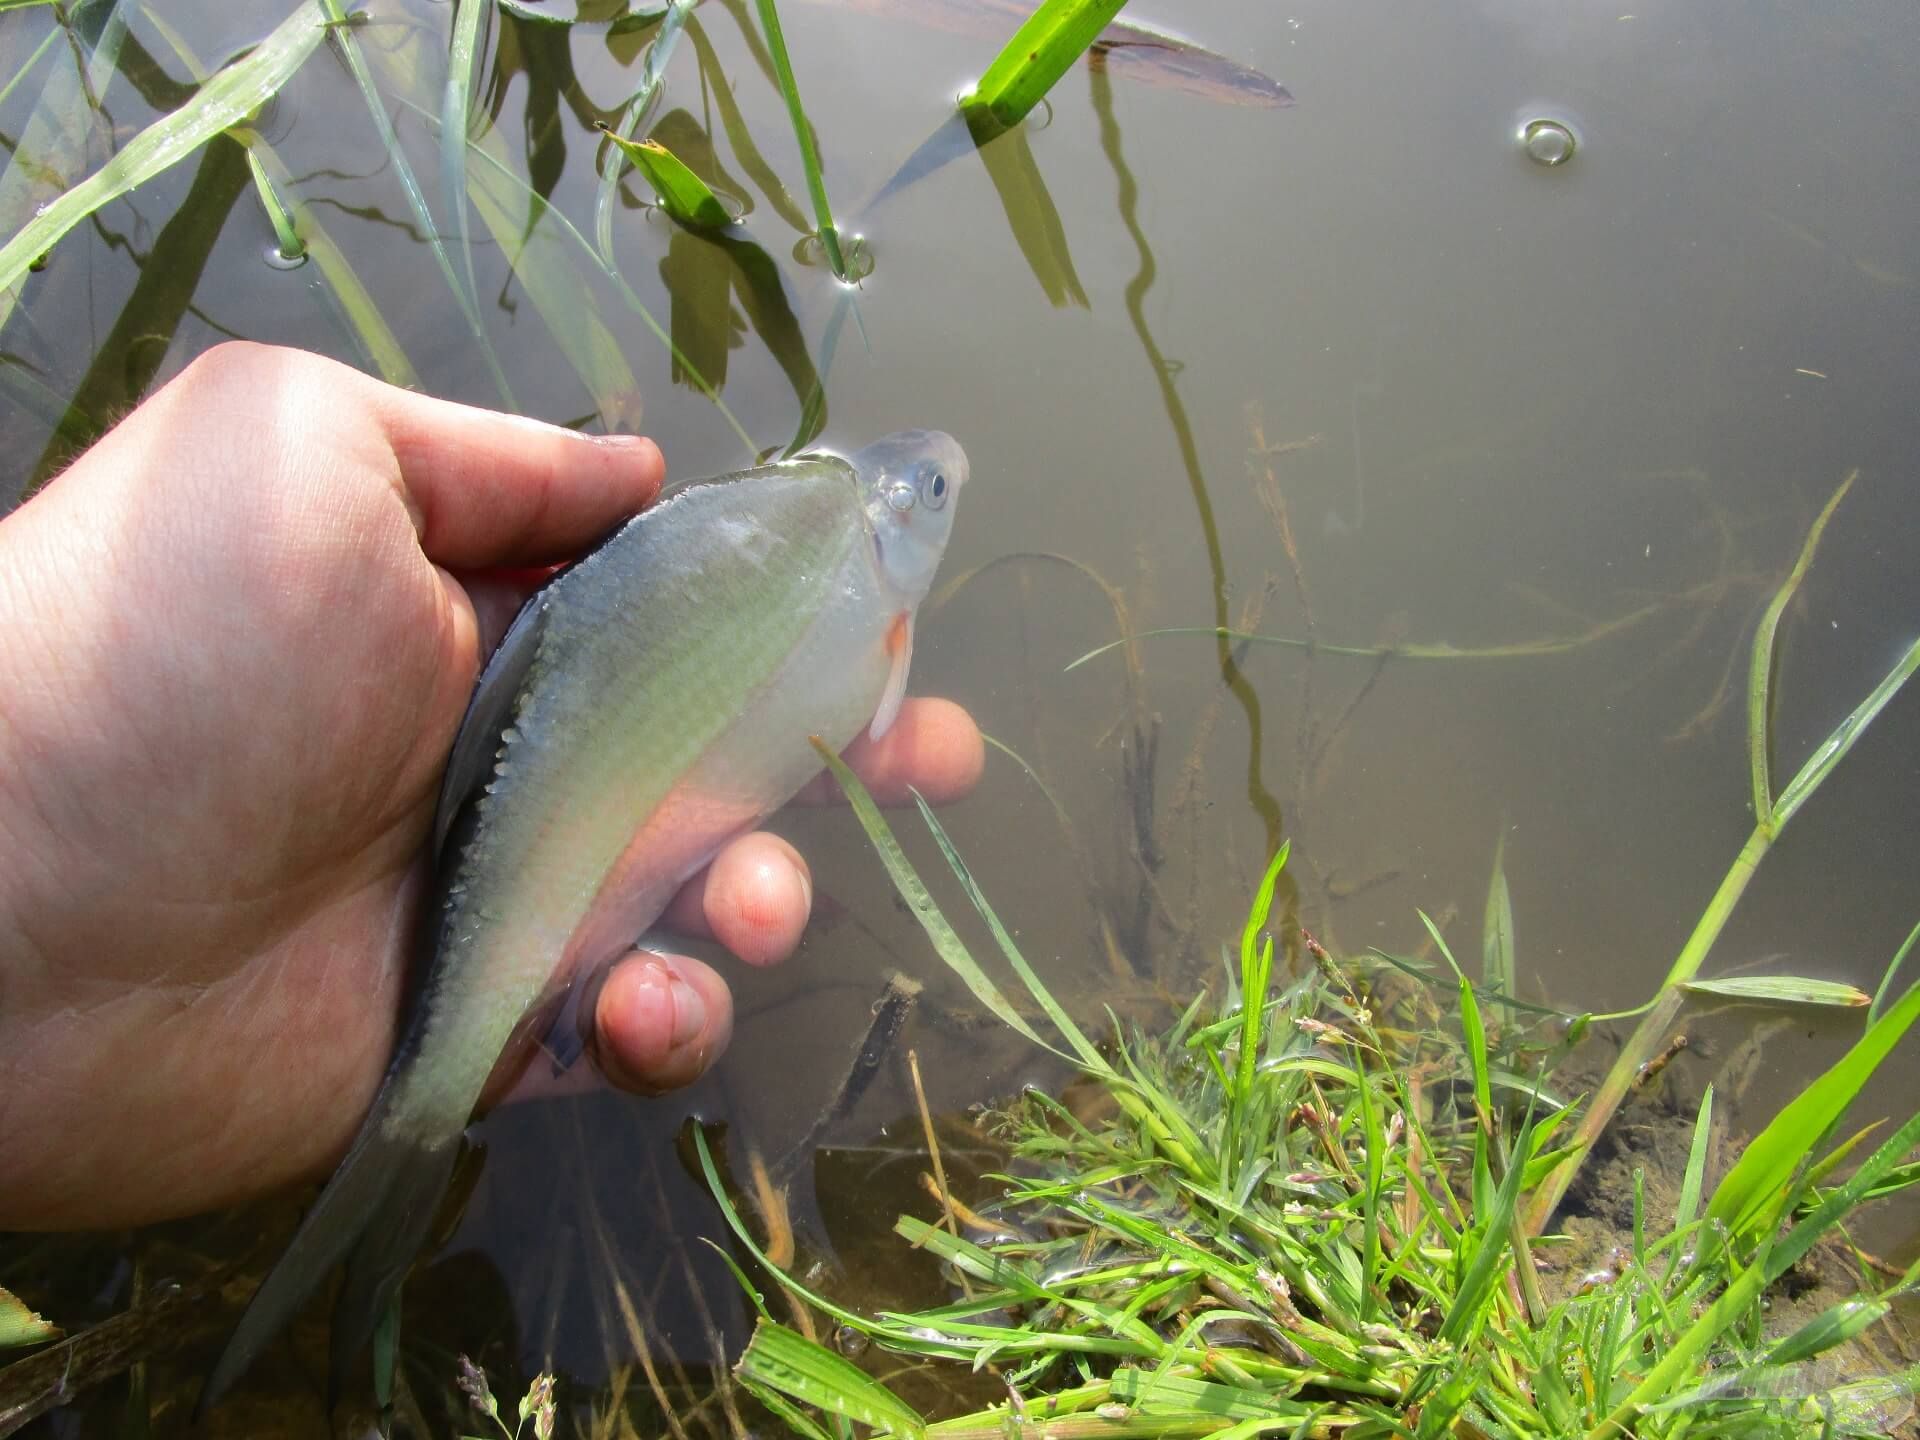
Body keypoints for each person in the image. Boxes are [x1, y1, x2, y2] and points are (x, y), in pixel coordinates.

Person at [0, 343, 983, 1232]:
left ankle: (395, 1182)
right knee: (709, 935)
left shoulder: (807, 538)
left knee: (711, 927)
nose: (941, 494)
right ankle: (402, 1165)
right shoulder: (839, 565)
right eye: (937, 491)